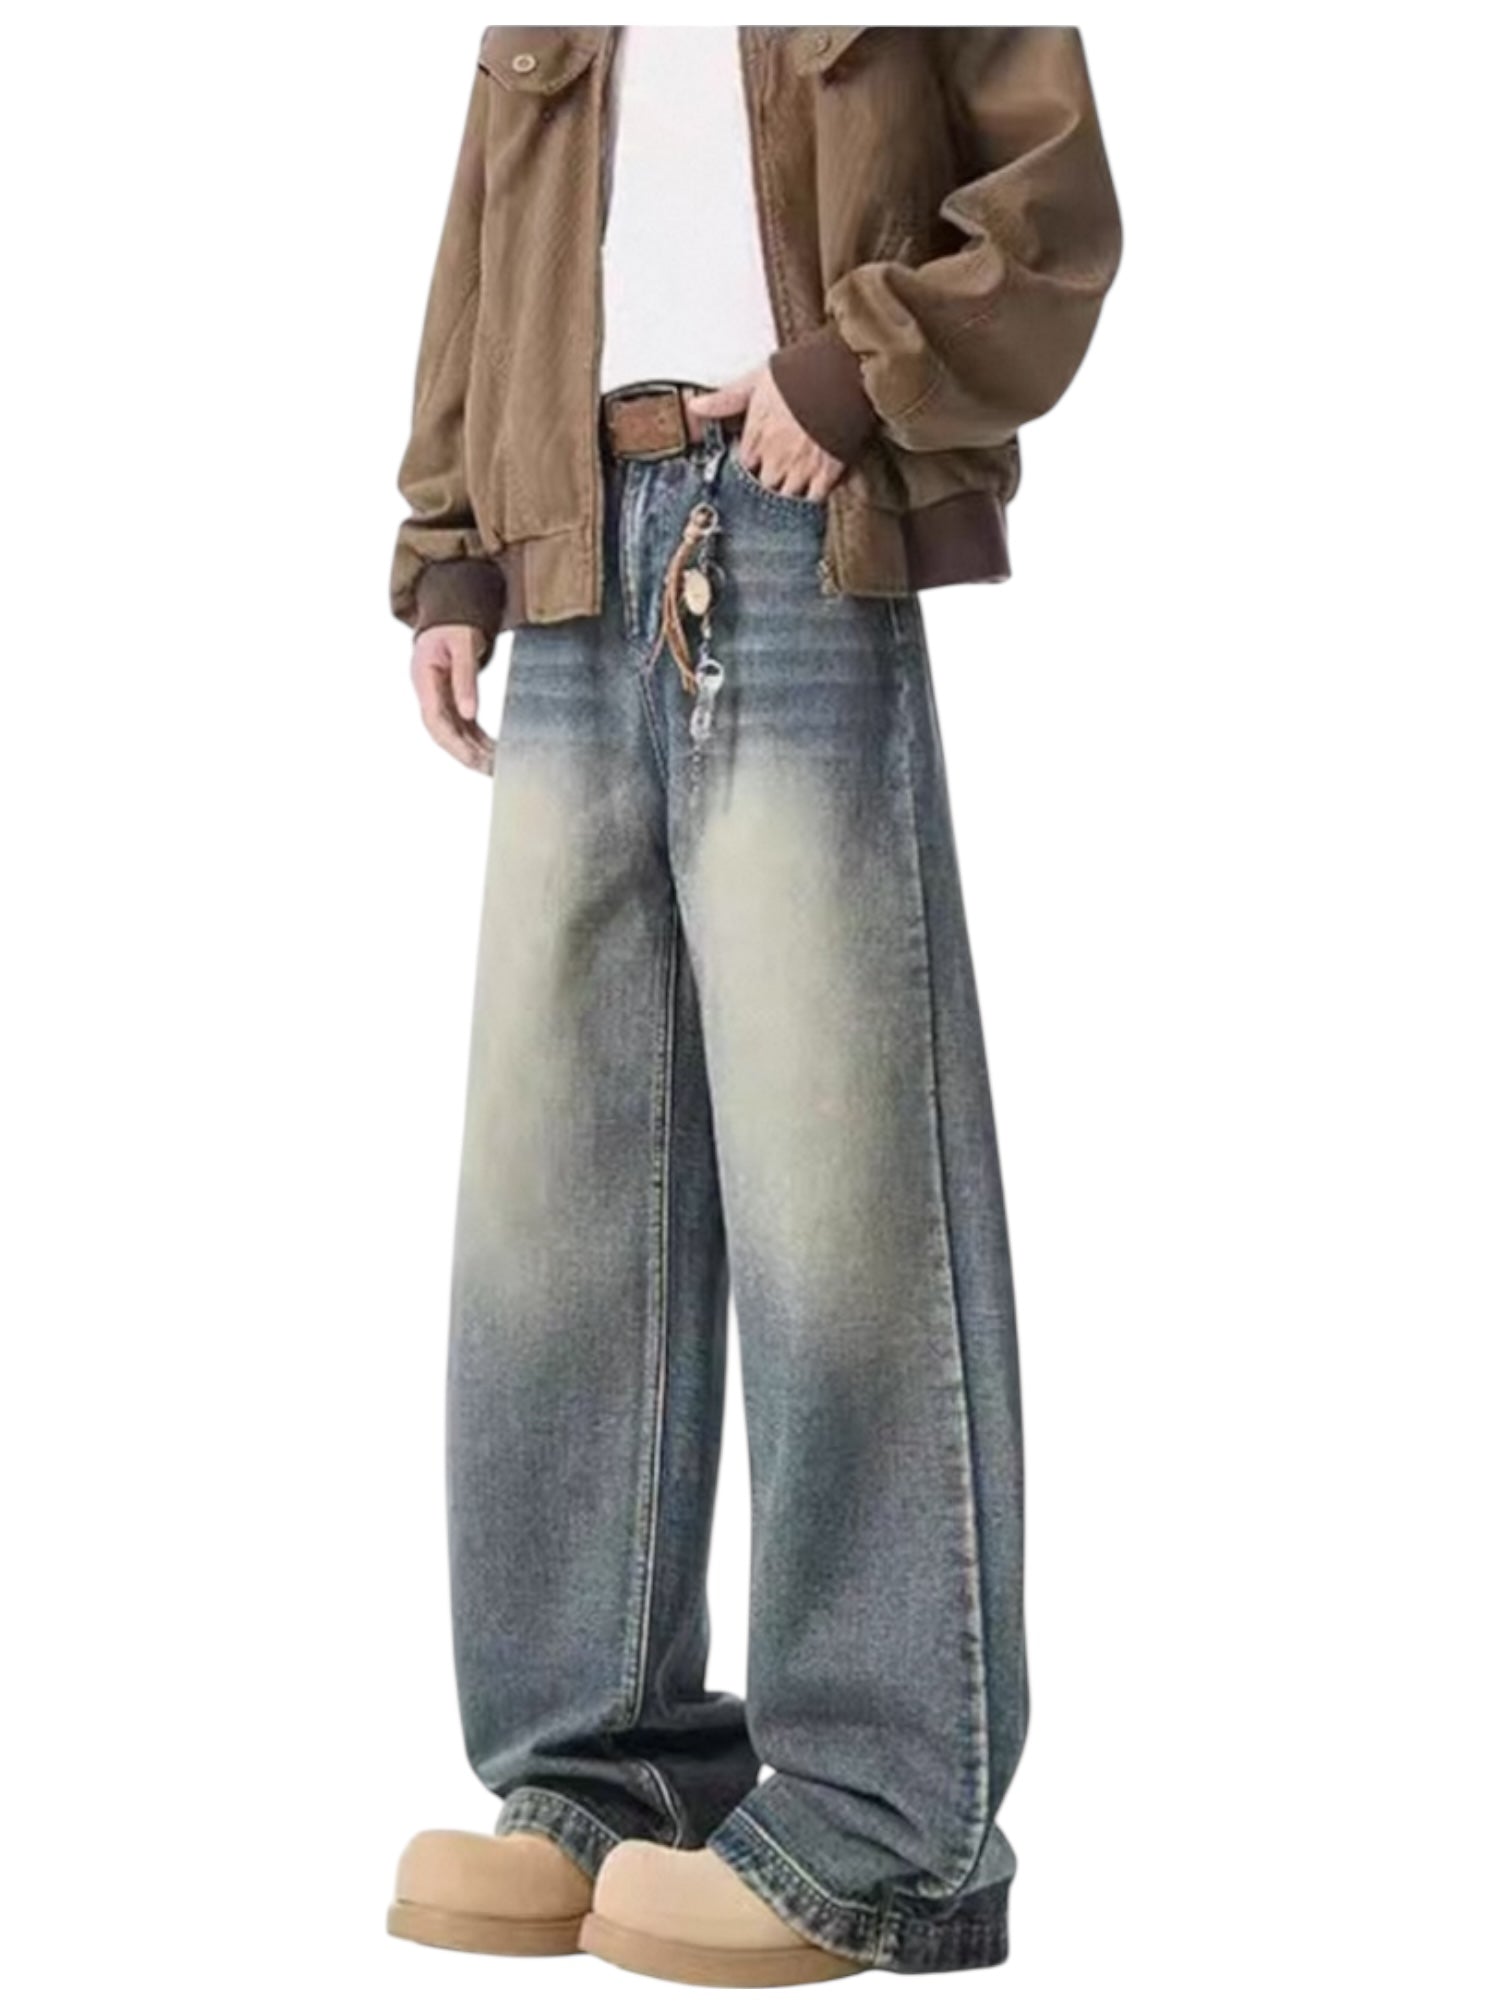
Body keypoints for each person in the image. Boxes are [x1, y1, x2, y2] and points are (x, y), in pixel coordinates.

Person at [383, 25, 1120, 1987]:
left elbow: (1049, 212)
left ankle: (888, 1823)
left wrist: (853, 372)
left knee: (838, 1185)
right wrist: (450, 546)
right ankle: (598, 1770)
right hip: (566, 539)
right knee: (558, 1203)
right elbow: (489, 228)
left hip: (792, 517)